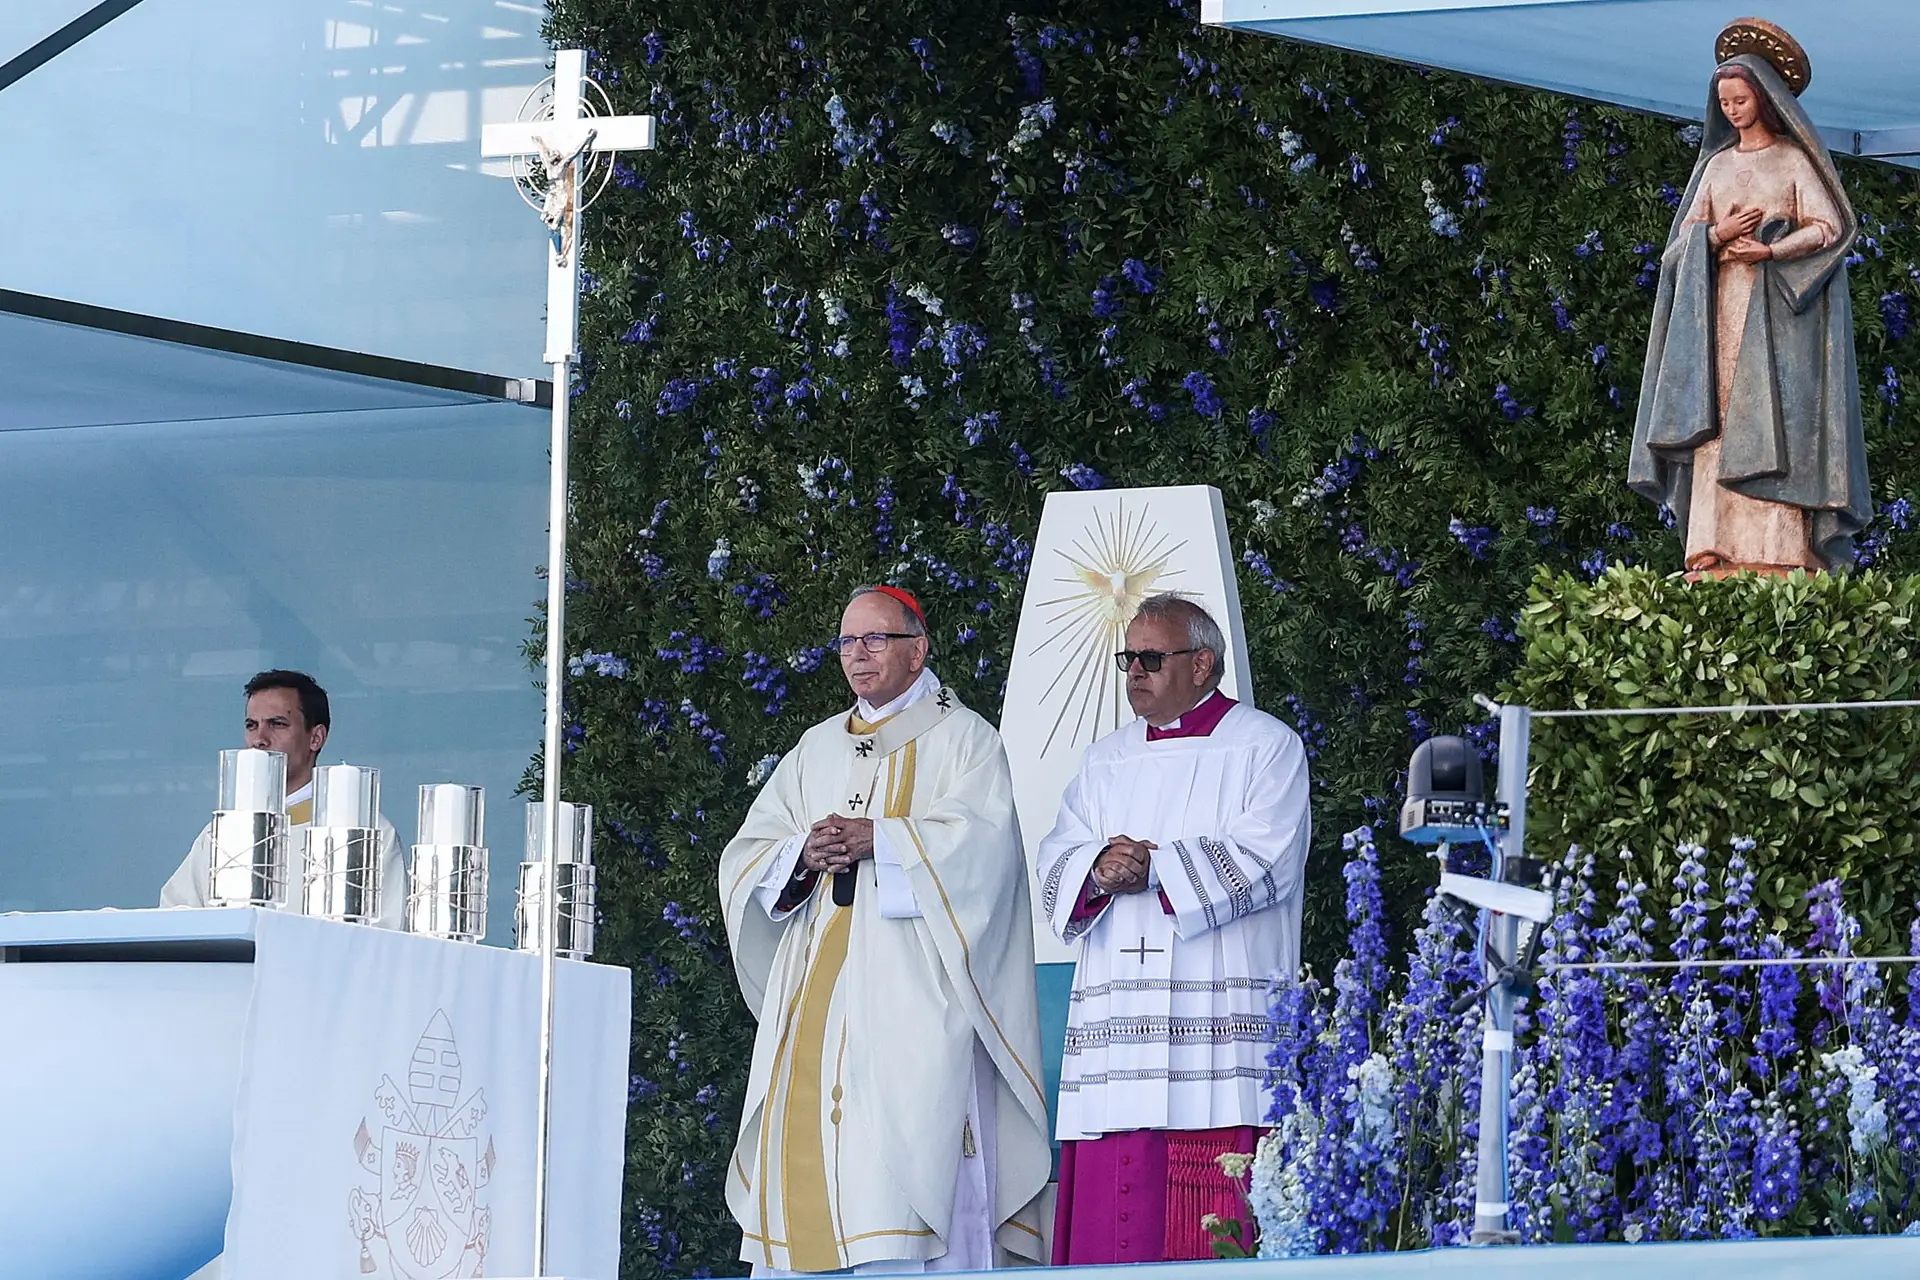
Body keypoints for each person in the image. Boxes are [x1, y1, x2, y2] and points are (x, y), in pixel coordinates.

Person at [718, 585, 1051, 1274]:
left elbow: (984, 855)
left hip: (916, 996)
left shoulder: (965, 741)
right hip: (816, 993)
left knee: (907, 1162)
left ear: (918, 648)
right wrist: (802, 855)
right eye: (846, 642)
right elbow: (747, 854)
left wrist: (887, 840)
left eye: (875, 640)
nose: (857, 656)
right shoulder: (816, 749)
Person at [1036, 594, 1311, 1264]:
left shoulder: (1265, 746)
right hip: (1121, 1026)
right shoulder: (1106, 759)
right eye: (1128, 658)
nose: (1135, 671)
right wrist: (1097, 867)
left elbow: (1268, 858)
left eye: (1151, 658)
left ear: (1203, 663)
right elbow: (1056, 855)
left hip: (1215, 1019)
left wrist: (1154, 869)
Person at [1629, 23, 1871, 576]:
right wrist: (1715, 236)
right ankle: (1711, 543)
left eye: (1741, 100)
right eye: (1724, 103)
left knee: (1774, 420)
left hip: (1781, 321)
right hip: (1719, 321)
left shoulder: (1790, 160)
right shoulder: (1715, 167)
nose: (1733, 110)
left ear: (1763, 99)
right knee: (1716, 422)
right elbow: (1674, 255)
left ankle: (1781, 548)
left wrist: (1772, 251)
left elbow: (1829, 226)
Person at [160, 670, 406, 927]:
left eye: (277, 724)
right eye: (251, 725)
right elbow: (176, 917)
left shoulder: (366, 832)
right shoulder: (222, 835)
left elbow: (387, 938)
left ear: (316, 737)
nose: (259, 740)